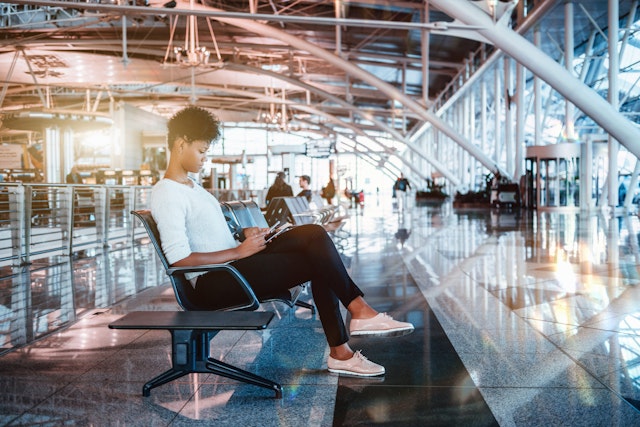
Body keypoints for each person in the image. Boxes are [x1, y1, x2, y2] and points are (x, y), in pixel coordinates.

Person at [150, 106, 414, 377]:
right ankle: (348, 336)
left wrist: (244, 235)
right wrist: (238, 251)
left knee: (313, 234)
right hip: (215, 281)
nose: (205, 158)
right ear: (181, 143)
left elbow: (208, 235)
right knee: (318, 259)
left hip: (233, 266)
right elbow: (178, 259)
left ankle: (353, 326)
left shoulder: (194, 188)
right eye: (202, 150)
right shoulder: (166, 193)